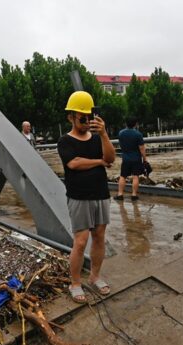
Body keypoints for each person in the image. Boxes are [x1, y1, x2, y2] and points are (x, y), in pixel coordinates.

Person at [57, 91, 115, 302]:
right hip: (79, 196)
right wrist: (98, 162)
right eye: (82, 117)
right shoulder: (65, 141)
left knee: (99, 237)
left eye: (89, 117)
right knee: (80, 242)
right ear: (71, 117)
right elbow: (74, 163)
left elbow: (110, 158)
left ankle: (95, 276)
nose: (86, 121)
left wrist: (104, 134)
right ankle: (75, 283)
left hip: (101, 194)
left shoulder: (98, 138)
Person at [114, 117, 147, 201]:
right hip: (136, 158)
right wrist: (145, 159)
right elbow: (142, 148)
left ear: (126, 123)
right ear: (136, 124)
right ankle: (134, 195)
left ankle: (120, 194)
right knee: (136, 176)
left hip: (125, 158)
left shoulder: (121, 133)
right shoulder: (138, 134)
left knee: (123, 176)